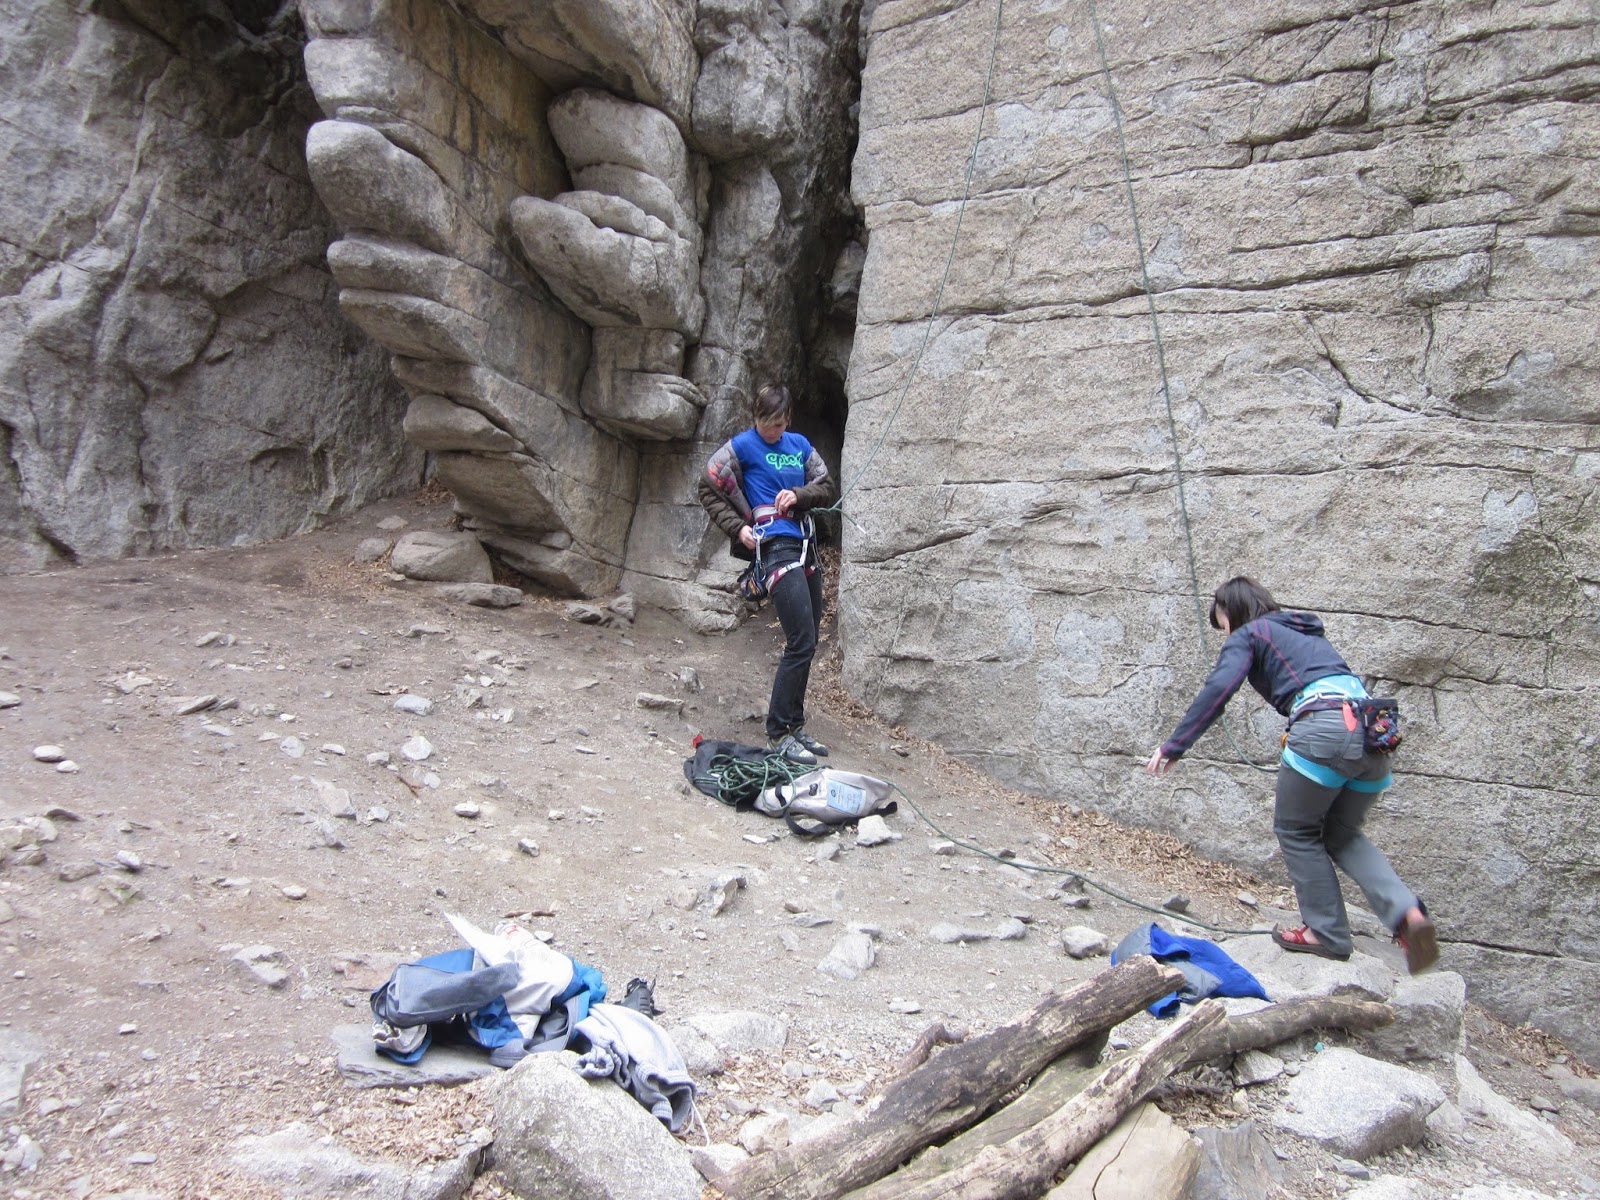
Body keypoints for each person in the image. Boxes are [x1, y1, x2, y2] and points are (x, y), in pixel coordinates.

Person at [1144, 576, 1439, 974]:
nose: (1225, 634)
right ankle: (1408, 916)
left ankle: (1327, 934)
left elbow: (1220, 687)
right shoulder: (1306, 634)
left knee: (1296, 830)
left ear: (1231, 610)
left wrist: (1175, 745)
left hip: (1324, 729)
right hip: (1375, 734)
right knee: (1342, 833)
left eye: (1223, 624)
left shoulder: (1250, 633)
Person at [699, 384, 838, 765]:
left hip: (805, 544)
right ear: (754, 417)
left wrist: (799, 494)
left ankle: (795, 726)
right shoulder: (742, 446)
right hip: (774, 548)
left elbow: (826, 486)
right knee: (800, 640)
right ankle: (778, 733)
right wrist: (736, 527)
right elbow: (708, 484)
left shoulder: (799, 445)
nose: (771, 430)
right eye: (764, 422)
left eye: (777, 423)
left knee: (809, 641)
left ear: (787, 419)